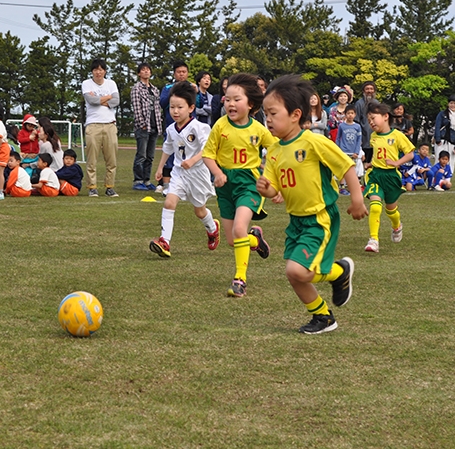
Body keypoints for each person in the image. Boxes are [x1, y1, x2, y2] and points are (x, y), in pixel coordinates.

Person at [255, 74, 367, 334]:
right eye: (265, 114)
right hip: (296, 220)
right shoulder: (273, 151)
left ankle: (339, 272)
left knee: (298, 270)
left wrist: (357, 198)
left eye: (273, 113)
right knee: (294, 274)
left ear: (295, 114)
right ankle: (323, 317)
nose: (268, 120)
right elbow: (275, 189)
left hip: (319, 218)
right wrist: (267, 188)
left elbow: (346, 166)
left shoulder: (313, 141)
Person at [202, 73, 276, 298]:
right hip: (224, 187)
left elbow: (276, 152)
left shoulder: (259, 130)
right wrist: (217, 173)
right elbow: (207, 155)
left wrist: (274, 180)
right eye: (227, 98)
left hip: (248, 184)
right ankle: (256, 240)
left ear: (250, 104)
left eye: (237, 99)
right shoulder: (220, 125)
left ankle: (239, 280)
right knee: (234, 240)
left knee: (238, 228)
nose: (230, 103)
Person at [149, 81, 219, 258]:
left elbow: (208, 149)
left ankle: (212, 228)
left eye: (180, 107)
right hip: (179, 173)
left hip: (198, 174)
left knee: (199, 210)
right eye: (172, 107)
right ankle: (165, 241)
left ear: (191, 108)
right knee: (169, 202)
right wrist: (159, 168)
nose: (175, 111)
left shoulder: (200, 127)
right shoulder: (171, 129)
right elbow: (167, 148)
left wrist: (194, 160)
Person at [363, 102, 415, 253]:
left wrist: (397, 163)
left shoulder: (397, 135)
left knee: (391, 210)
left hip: (391, 176)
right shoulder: (373, 136)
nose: (371, 122)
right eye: (369, 120)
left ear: (386, 117)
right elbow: (377, 155)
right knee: (375, 205)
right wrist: (371, 164)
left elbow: (410, 153)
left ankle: (397, 226)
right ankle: (373, 240)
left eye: (373, 118)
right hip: (376, 175)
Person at [82, 58, 120, 197]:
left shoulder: (111, 83)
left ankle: (109, 187)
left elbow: (116, 101)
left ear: (105, 71)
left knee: (111, 159)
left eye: (101, 69)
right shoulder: (86, 83)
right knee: (92, 158)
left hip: (110, 124)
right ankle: (92, 187)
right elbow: (91, 101)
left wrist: (102, 100)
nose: (98, 72)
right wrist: (107, 98)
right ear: (92, 71)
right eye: (96, 69)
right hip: (93, 124)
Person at [158, 61, 196, 194]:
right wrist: (173, 92)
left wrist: (196, 91)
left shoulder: (191, 87)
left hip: (189, 128)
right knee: (170, 155)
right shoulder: (168, 88)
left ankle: (190, 184)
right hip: (172, 126)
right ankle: (167, 185)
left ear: (187, 73)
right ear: (174, 74)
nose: (181, 74)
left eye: (184, 72)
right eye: (179, 72)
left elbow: (199, 103)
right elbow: (162, 103)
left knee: (191, 154)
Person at [130, 62, 162, 191]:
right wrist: (142, 124)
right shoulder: (136, 89)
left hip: (154, 126)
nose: (146, 72)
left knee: (150, 156)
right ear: (139, 73)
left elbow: (158, 108)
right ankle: (138, 180)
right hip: (143, 127)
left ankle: (147, 180)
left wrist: (159, 122)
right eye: (143, 70)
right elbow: (137, 108)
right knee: (141, 155)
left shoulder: (154, 90)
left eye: (148, 70)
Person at [335, 106, 363, 194]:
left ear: (355, 114)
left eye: (352, 113)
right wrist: (338, 149)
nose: (350, 115)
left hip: (353, 152)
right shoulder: (342, 126)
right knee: (343, 169)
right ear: (345, 114)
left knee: (353, 170)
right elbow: (338, 138)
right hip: (343, 151)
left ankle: (353, 187)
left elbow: (359, 140)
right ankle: (342, 187)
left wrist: (356, 152)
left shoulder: (357, 126)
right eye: (348, 113)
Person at [434, 95, 455, 173]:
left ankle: (447, 179)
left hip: (452, 142)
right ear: (448, 104)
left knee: (450, 162)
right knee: (439, 159)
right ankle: (436, 179)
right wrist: (437, 139)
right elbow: (437, 126)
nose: (453, 105)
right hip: (442, 140)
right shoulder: (442, 114)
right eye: (451, 103)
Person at [354, 81, 379, 167]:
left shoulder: (377, 103)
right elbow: (356, 120)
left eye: (371, 89)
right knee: (363, 160)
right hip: (363, 136)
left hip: (375, 134)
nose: (369, 91)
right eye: (367, 89)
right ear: (363, 91)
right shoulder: (359, 104)